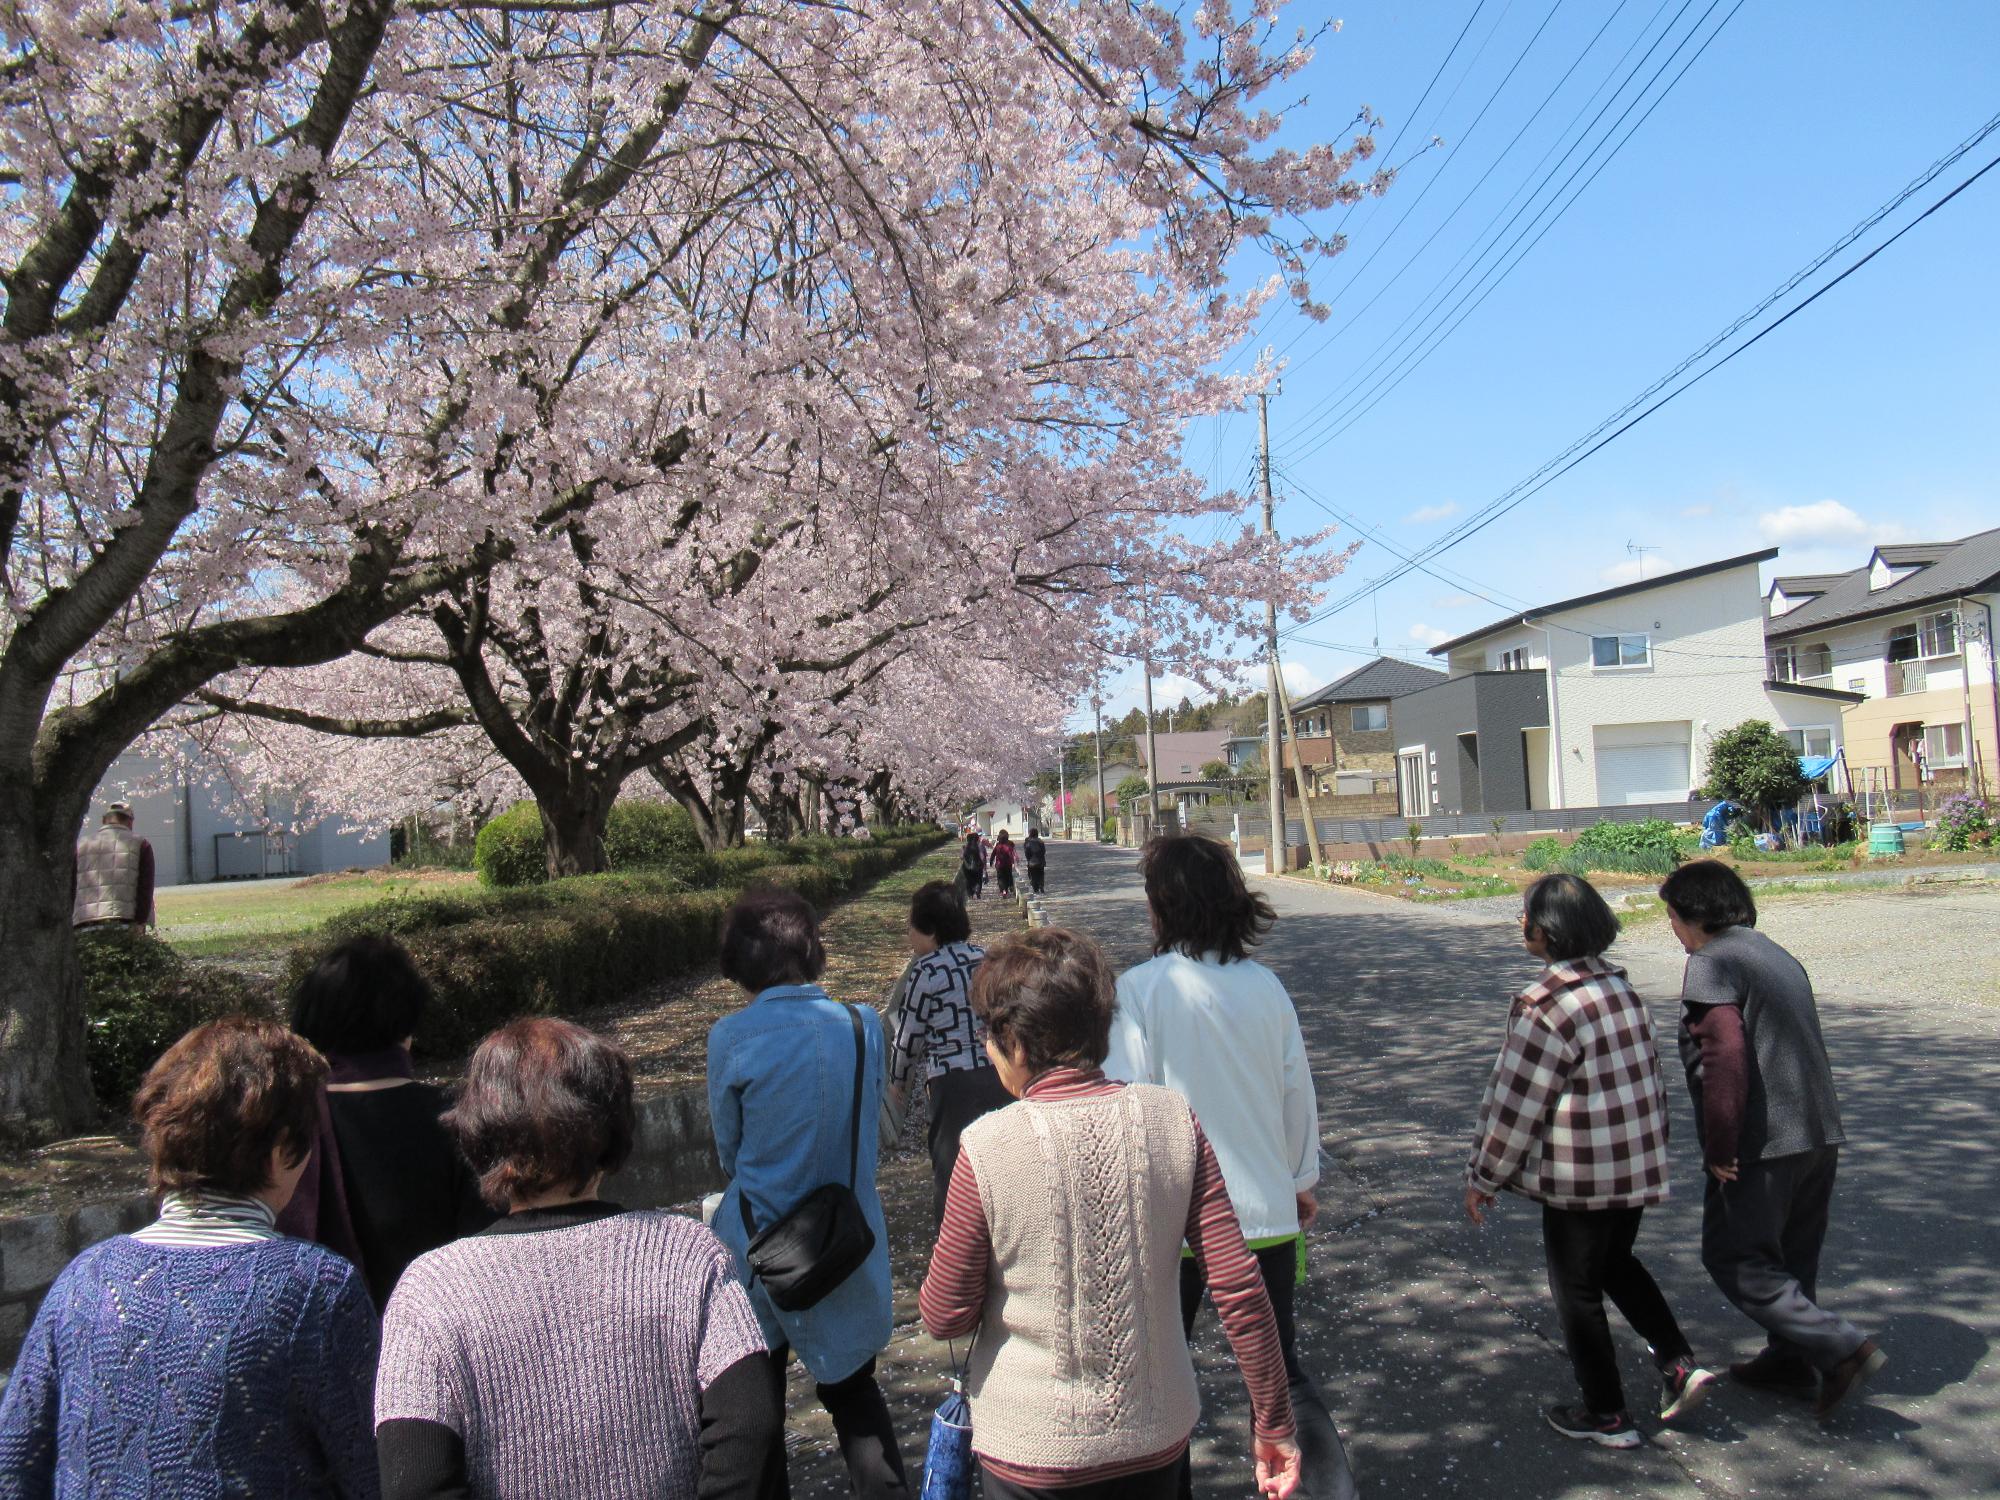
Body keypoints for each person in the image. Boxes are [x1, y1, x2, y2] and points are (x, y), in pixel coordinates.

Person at [920, 928, 1301, 1499]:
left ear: (1017, 1043)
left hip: (1030, 1452)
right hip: (1153, 1442)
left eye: (990, 1035)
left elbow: (945, 1314)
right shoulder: (1173, 1120)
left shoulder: (986, 1148)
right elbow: (1238, 1285)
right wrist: (1273, 1421)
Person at [375, 1018, 781, 1497]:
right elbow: (751, 1424)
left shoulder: (429, 1291)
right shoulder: (687, 1254)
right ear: (611, 1127)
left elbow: (415, 1482)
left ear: (478, 1134)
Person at [0, 1018, 379, 1496]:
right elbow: (373, 1470)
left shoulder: (85, 1278)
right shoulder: (313, 1286)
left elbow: (14, 1465)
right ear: (283, 1148)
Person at [1105, 835, 1358, 1500]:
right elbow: (1295, 1092)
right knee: (1278, 1372)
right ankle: (1322, 1490)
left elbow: (1126, 1107)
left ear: (1162, 906)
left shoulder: (1139, 992)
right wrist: (1300, 1180)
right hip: (1264, 1213)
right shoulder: (1265, 987)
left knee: (1163, 1383)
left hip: (1176, 1225)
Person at [1464, 874, 1715, 1450]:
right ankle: (1677, 1363)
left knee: (1576, 1288)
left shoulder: (1546, 1005)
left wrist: (1483, 1176)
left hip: (1580, 1176)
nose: (1519, 922)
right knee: (1616, 1262)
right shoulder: (1619, 988)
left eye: (1525, 913)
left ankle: (1606, 1413)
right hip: (1634, 1162)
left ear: (1546, 929)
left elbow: (1515, 1103)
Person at [1658, 859, 1884, 1417]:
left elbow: (1725, 1055)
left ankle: (1842, 1346)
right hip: (1816, 1130)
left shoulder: (1713, 962)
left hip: (1762, 1139)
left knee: (1736, 1257)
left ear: (1691, 917)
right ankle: (1790, 1360)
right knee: (1792, 1257)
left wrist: (1720, 1145)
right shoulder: (1772, 953)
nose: (1671, 928)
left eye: (1671, 916)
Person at [707, 888, 909, 1497]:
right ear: (813, 949)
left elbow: (728, 1153)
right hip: (845, 1243)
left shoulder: (732, 1038)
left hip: (761, 1252)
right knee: (855, 1397)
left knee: (754, 1413)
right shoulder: (861, 1024)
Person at [283, 935, 492, 1307]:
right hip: (431, 1339)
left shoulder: (286, 1123)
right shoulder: (463, 1119)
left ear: (310, 1024)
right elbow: (485, 1256)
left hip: (312, 1346)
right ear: (407, 1025)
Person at [886, 881, 1011, 1224]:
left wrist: (897, 1080)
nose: (909, 934)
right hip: (999, 1075)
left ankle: (958, 1250)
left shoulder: (926, 971)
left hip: (952, 1083)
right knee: (999, 1166)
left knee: (954, 1172)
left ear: (931, 929)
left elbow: (909, 1034)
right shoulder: (986, 958)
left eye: (912, 925)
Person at [71, 800, 154, 929]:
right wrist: (140, 921)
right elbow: (145, 887)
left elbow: (71, 886)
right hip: (124, 920)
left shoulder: (80, 844)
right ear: (130, 822)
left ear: (104, 820)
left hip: (84, 920)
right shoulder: (141, 844)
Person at [960, 831, 987, 900]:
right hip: (978, 867)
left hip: (967, 868)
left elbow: (961, 857)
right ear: (977, 839)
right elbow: (982, 857)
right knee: (978, 880)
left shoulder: (964, 847)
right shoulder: (979, 846)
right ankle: (977, 891)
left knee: (968, 881)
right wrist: (984, 867)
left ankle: (970, 894)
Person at [991, 829, 1017, 897]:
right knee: (1008, 876)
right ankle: (1010, 886)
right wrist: (1013, 862)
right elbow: (1012, 853)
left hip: (999, 865)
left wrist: (991, 861)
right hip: (1008, 864)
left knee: (1001, 878)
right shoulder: (1010, 844)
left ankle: (1004, 890)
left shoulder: (997, 845)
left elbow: (993, 854)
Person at [1022, 827, 1047, 894]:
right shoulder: (1040, 841)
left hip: (1031, 862)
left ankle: (1035, 888)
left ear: (1030, 833)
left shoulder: (1028, 842)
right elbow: (1043, 851)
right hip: (1040, 861)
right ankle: (1041, 886)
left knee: (1033, 875)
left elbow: (1027, 852)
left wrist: (1029, 859)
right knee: (1041, 874)